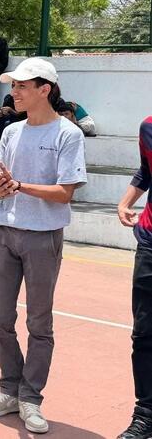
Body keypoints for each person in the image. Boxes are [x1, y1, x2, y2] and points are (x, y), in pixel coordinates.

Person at [0, 58, 86, 435]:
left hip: (43, 237)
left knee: (39, 323)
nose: (14, 92)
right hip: (5, 231)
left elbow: (64, 193)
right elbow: (4, 182)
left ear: (45, 90)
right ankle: (9, 389)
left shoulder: (67, 135)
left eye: (23, 86)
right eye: (14, 85)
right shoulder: (11, 131)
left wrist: (19, 185)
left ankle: (31, 397)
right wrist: (1, 184)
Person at [116, 116, 152, 439]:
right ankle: (146, 414)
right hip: (150, 245)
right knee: (144, 334)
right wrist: (126, 201)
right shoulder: (148, 127)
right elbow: (146, 171)